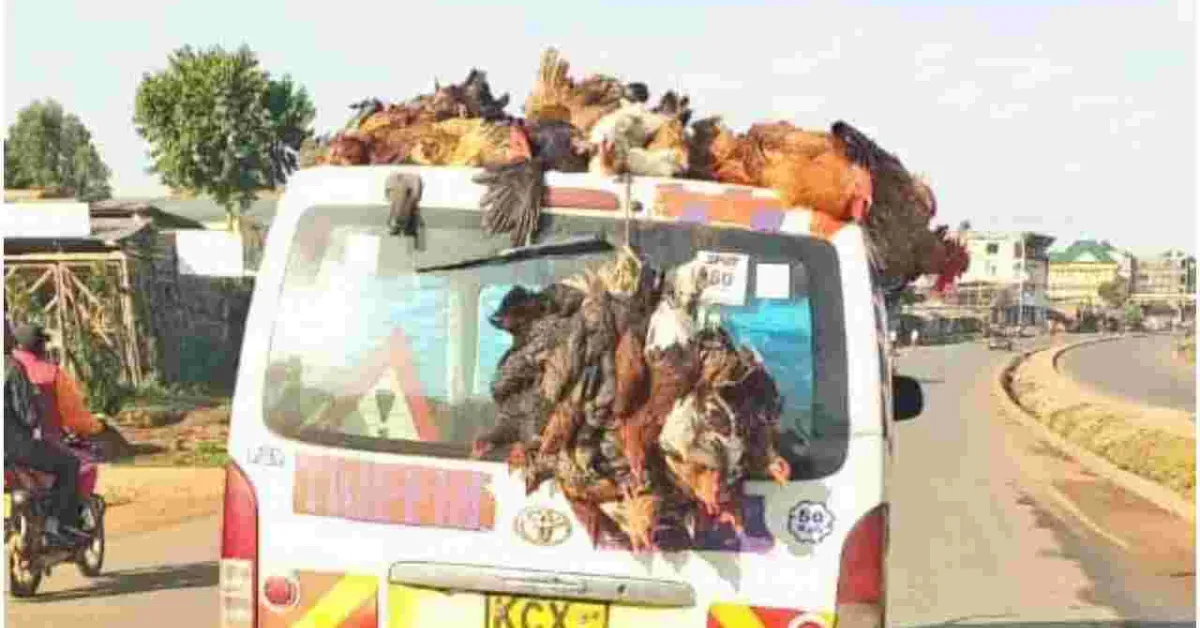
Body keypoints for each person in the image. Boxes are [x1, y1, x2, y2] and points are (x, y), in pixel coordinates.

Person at [4, 320, 84, 544]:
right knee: (69, 465)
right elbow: (29, 417)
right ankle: (57, 527)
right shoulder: (12, 367)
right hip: (15, 448)